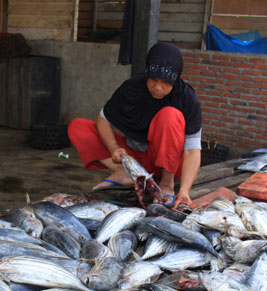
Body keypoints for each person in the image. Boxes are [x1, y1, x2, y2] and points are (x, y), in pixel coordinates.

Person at [68, 42, 202, 208]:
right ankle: (123, 172)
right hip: (133, 159)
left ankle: (166, 183)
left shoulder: (186, 97)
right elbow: (103, 119)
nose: (158, 88)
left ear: (175, 80)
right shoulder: (132, 87)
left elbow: (192, 151)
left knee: (170, 114)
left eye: (166, 83)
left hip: (169, 162)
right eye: (153, 80)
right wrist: (113, 148)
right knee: (78, 126)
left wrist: (185, 191)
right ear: (146, 73)